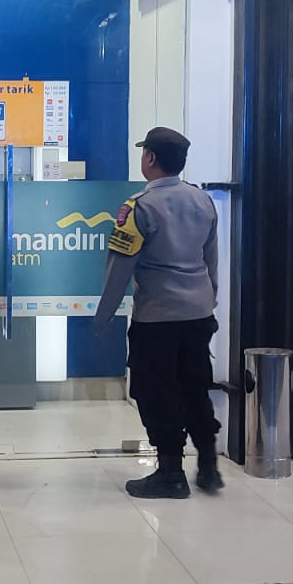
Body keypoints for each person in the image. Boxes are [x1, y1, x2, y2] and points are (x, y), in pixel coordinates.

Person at [94, 126, 222, 500]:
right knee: (195, 387)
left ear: (150, 158)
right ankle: (209, 467)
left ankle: (170, 474)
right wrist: (208, 300)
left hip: (158, 318)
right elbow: (211, 260)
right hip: (198, 314)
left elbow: (119, 267)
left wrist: (103, 317)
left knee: (157, 392)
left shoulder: (139, 207)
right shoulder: (203, 201)